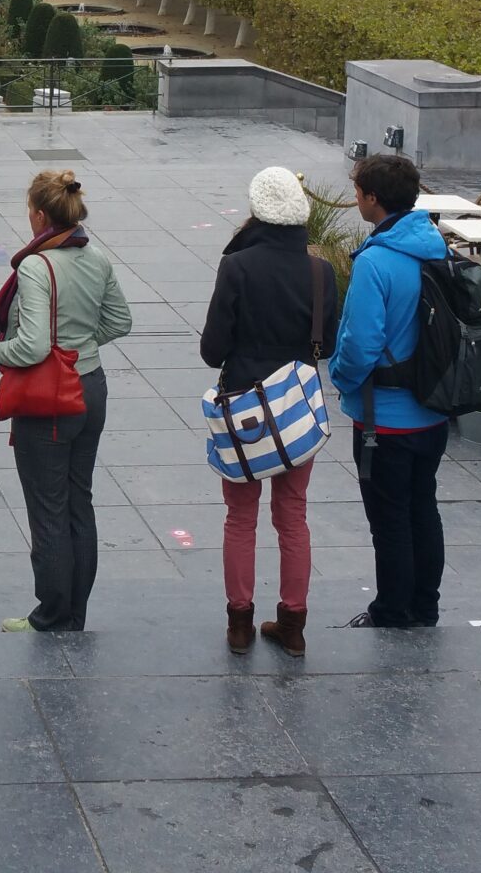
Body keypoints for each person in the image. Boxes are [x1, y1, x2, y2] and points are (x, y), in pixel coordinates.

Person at [199, 167, 339, 657]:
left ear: (258, 211)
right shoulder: (321, 272)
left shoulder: (237, 267)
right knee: (293, 514)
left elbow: (212, 351)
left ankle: (239, 622)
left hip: (245, 408)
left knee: (240, 517)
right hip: (297, 408)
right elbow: (328, 344)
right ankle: (293, 624)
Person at [0, 170, 132, 632]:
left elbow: (32, 346)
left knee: (47, 507)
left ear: (39, 215)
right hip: (91, 387)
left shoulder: (36, 267)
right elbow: (120, 321)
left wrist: (0, 352)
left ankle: (50, 614)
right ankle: (75, 612)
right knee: (78, 501)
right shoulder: (96, 256)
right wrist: (81, 345)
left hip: (51, 397)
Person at [330, 152, 450, 630]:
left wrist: (340, 377)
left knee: (390, 517)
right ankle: (425, 606)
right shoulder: (435, 246)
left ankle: (392, 610)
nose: (357, 199)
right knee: (424, 507)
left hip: (384, 418)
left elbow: (361, 343)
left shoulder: (376, 261)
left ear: (373, 198)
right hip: (433, 410)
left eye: (358, 193)